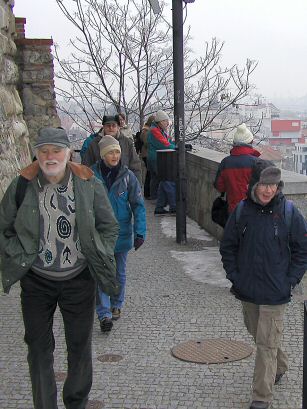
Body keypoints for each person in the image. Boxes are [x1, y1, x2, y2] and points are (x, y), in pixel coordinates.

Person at [0, 127, 119, 409]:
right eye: (44, 151)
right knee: (38, 349)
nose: (49, 157)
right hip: (36, 281)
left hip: (78, 278)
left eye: (56, 151)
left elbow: (109, 226)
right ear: (36, 155)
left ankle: (76, 402)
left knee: (79, 347)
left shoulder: (88, 183)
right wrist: (18, 254)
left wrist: (97, 251)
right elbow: (3, 228)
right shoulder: (21, 185)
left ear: (68, 153)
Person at [220, 159, 307, 409]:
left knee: (266, 343)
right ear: (254, 185)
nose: (269, 190)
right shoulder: (241, 211)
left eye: (274, 185)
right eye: (264, 185)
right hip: (247, 289)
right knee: (258, 334)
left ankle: (261, 397)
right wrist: (235, 276)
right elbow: (228, 247)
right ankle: (279, 364)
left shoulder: (289, 212)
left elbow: (302, 250)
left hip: (276, 292)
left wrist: (290, 280)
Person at [92, 135, 146, 332]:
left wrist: (140, 232)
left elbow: (138, 206)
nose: (114, 155)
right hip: (99, 234)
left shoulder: (128, 176)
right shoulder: (91, 176)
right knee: (101, 273)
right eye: (110, 152)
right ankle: (104, 313)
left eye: (117, 152)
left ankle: (117, 304)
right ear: (103, 154)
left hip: (122, 232)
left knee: (119, 272)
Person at [214, 123, 260, 215]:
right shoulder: (258, 163)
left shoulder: (225, 162)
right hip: (253, 211)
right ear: (250, 142)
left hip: (232, 210)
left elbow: (220, 186)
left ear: (234, 143)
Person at [82, 115, 142, 183]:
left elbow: (135, 166)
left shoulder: (127, 143)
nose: (111, 128)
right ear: (104, 127)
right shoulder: (94, 144)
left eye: (114, 125)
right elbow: (86, 165)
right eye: (108, 125)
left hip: (123, 184)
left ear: (118, 127)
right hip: (99, 184)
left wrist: (136, 186)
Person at [147, 110, 176, 213]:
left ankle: (160, 207)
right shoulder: (155, 131)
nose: (167, 123)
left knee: (163, 181)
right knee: (167, 181)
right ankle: (173, 206)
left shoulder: (159, 130)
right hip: (157, 159)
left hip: (158, 158)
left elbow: (168, 141)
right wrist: (177, 147)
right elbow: (164, 144)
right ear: (159, 122)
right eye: (165, 121)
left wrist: (175, 144)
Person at [139, 114, 156, 199]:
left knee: (149, 173)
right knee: (149, 174)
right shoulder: (146, 131)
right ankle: (147, 193)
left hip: (146, 154)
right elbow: (146, 143)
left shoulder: (145, 130)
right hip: (146, 154)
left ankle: (148, 192)